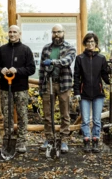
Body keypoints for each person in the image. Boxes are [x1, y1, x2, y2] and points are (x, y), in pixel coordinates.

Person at [0, 25, 35, 153]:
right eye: (10, 32)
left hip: (21, 88)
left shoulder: (26, 50)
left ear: (19, 34)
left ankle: (22, 142)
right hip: (5, 88)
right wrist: (1, 70)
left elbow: (31, 69)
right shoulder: (1, 50)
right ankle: (9, 139)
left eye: (14, 32)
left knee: (22, 115)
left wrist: (19, 70)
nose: (12, 34)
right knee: (7, 115)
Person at [39, 24, 76, 153]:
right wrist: (41, 86)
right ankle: (49, 139)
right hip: (48, 84)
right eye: (54, 32)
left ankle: (64, 140)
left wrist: (54, 62)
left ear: (63, 32)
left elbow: (67, 61)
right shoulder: (46, 49)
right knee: (48, 114)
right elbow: (42, 69)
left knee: (65, 114)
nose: (56, 35)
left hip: (63, 84)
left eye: (59, 32)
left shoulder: (69, 48)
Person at [73, 33, 110, 153]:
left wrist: (111, 75)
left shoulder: (101, 58)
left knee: (97, 119)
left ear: (96, 43)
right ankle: (86, 140)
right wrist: (77, 91)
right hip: (84, 93)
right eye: (88, 41)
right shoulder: (80, 58)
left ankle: (95, 140)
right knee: (85, 120)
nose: (90, 44)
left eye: (92, 41)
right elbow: (76, 76)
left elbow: (105, 76)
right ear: (85, 43)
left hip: (98, 93)